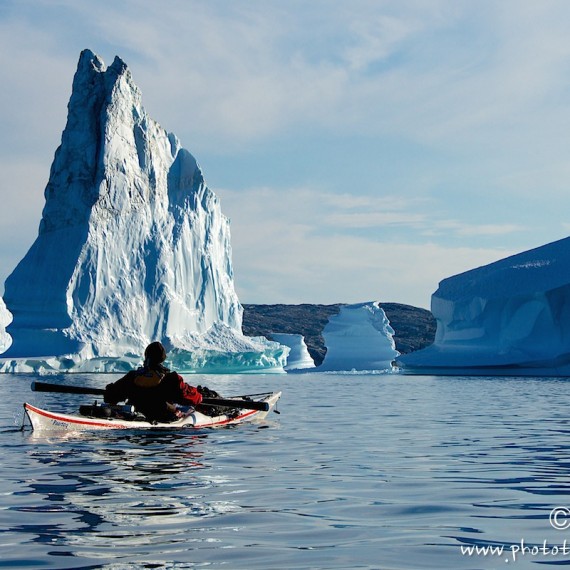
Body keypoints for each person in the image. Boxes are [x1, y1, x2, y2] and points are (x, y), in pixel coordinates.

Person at [104, 341, 203, 423]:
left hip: (135, 414)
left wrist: (109, 389)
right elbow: (190, 397)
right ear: (163, 358)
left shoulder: (133, 376)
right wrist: (200, 396)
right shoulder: (172, 379)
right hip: (164, 421)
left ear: (146, 357)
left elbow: (110, 397)